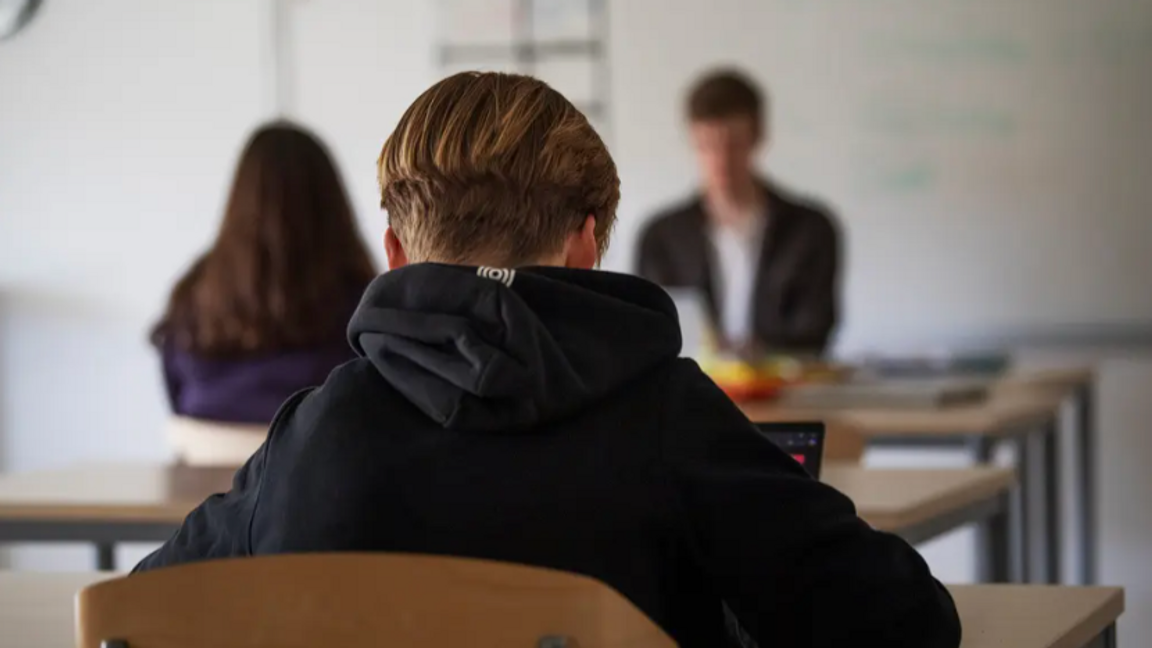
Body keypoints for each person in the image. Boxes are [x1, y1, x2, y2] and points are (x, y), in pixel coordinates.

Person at [136, 72, 960, 648]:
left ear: (394, 250)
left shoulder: (314, 430)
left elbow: (140, 613)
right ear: (587, 245)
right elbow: (901, 620)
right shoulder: (667, 414)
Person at [151, 122, 377, 462]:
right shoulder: (359, 297)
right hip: (320, 494)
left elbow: (176, 394)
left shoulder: (193, 290)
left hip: (205, 496)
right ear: (331, 203)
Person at [637, 69, 840, 356]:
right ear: (692, 141)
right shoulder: (661, 237)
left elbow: (814, 332)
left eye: (733, 144)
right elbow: (651, 331)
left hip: (786, 393)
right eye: (708, 146)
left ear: (758, 136)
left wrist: (757, 354)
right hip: (690, 393)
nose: (721, 160)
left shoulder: (811, 231)